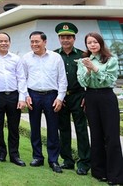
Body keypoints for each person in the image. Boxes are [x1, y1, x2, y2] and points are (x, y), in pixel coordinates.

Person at [77, 32, 123, 185]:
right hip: (91, 97)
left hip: (106, 97)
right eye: (89, 42)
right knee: (96, 135)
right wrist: (88, 70)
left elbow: (110, 79)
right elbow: (82, 81)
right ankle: (98, 172)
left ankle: (115, 175)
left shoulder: (111, 60)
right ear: (86, 45)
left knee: (111, 136)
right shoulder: (83, 61)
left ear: (101, 43)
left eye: (95, 42)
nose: (92, 45)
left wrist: (95, 69)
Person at [22, 31, 67, 173]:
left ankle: (53, 160)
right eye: (32, 42)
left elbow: (62, 80)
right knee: (34, 127)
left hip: (51, 96)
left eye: (37, 41)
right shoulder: (26, 58)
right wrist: (26, 95)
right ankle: (37, 157)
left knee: (53, 128)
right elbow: (22, 79)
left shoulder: (56, 57)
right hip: (33, 95)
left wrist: (60, 97)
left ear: (45, 42)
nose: (34, 44)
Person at [0, 32, 27, 167]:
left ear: (9, 42)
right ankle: (1, 153)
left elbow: (21, 78)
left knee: (14, 127)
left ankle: (14, 155)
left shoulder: (16, 59)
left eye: (6, 41)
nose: (3, 43)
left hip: (13, 96)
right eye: (0, 41)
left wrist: (22, 97)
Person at [53, 22, 90, 175]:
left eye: (68, 37)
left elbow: (90, 76)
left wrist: (87, 96)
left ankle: (84, 163)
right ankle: (67, 160)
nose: (65, 40)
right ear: (59, 39)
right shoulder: (54, 55)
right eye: (62, 37)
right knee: (64, 129)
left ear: (74, 38)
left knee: (81, 129)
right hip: (61, 97)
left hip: (78, 96)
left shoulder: (83, 55)